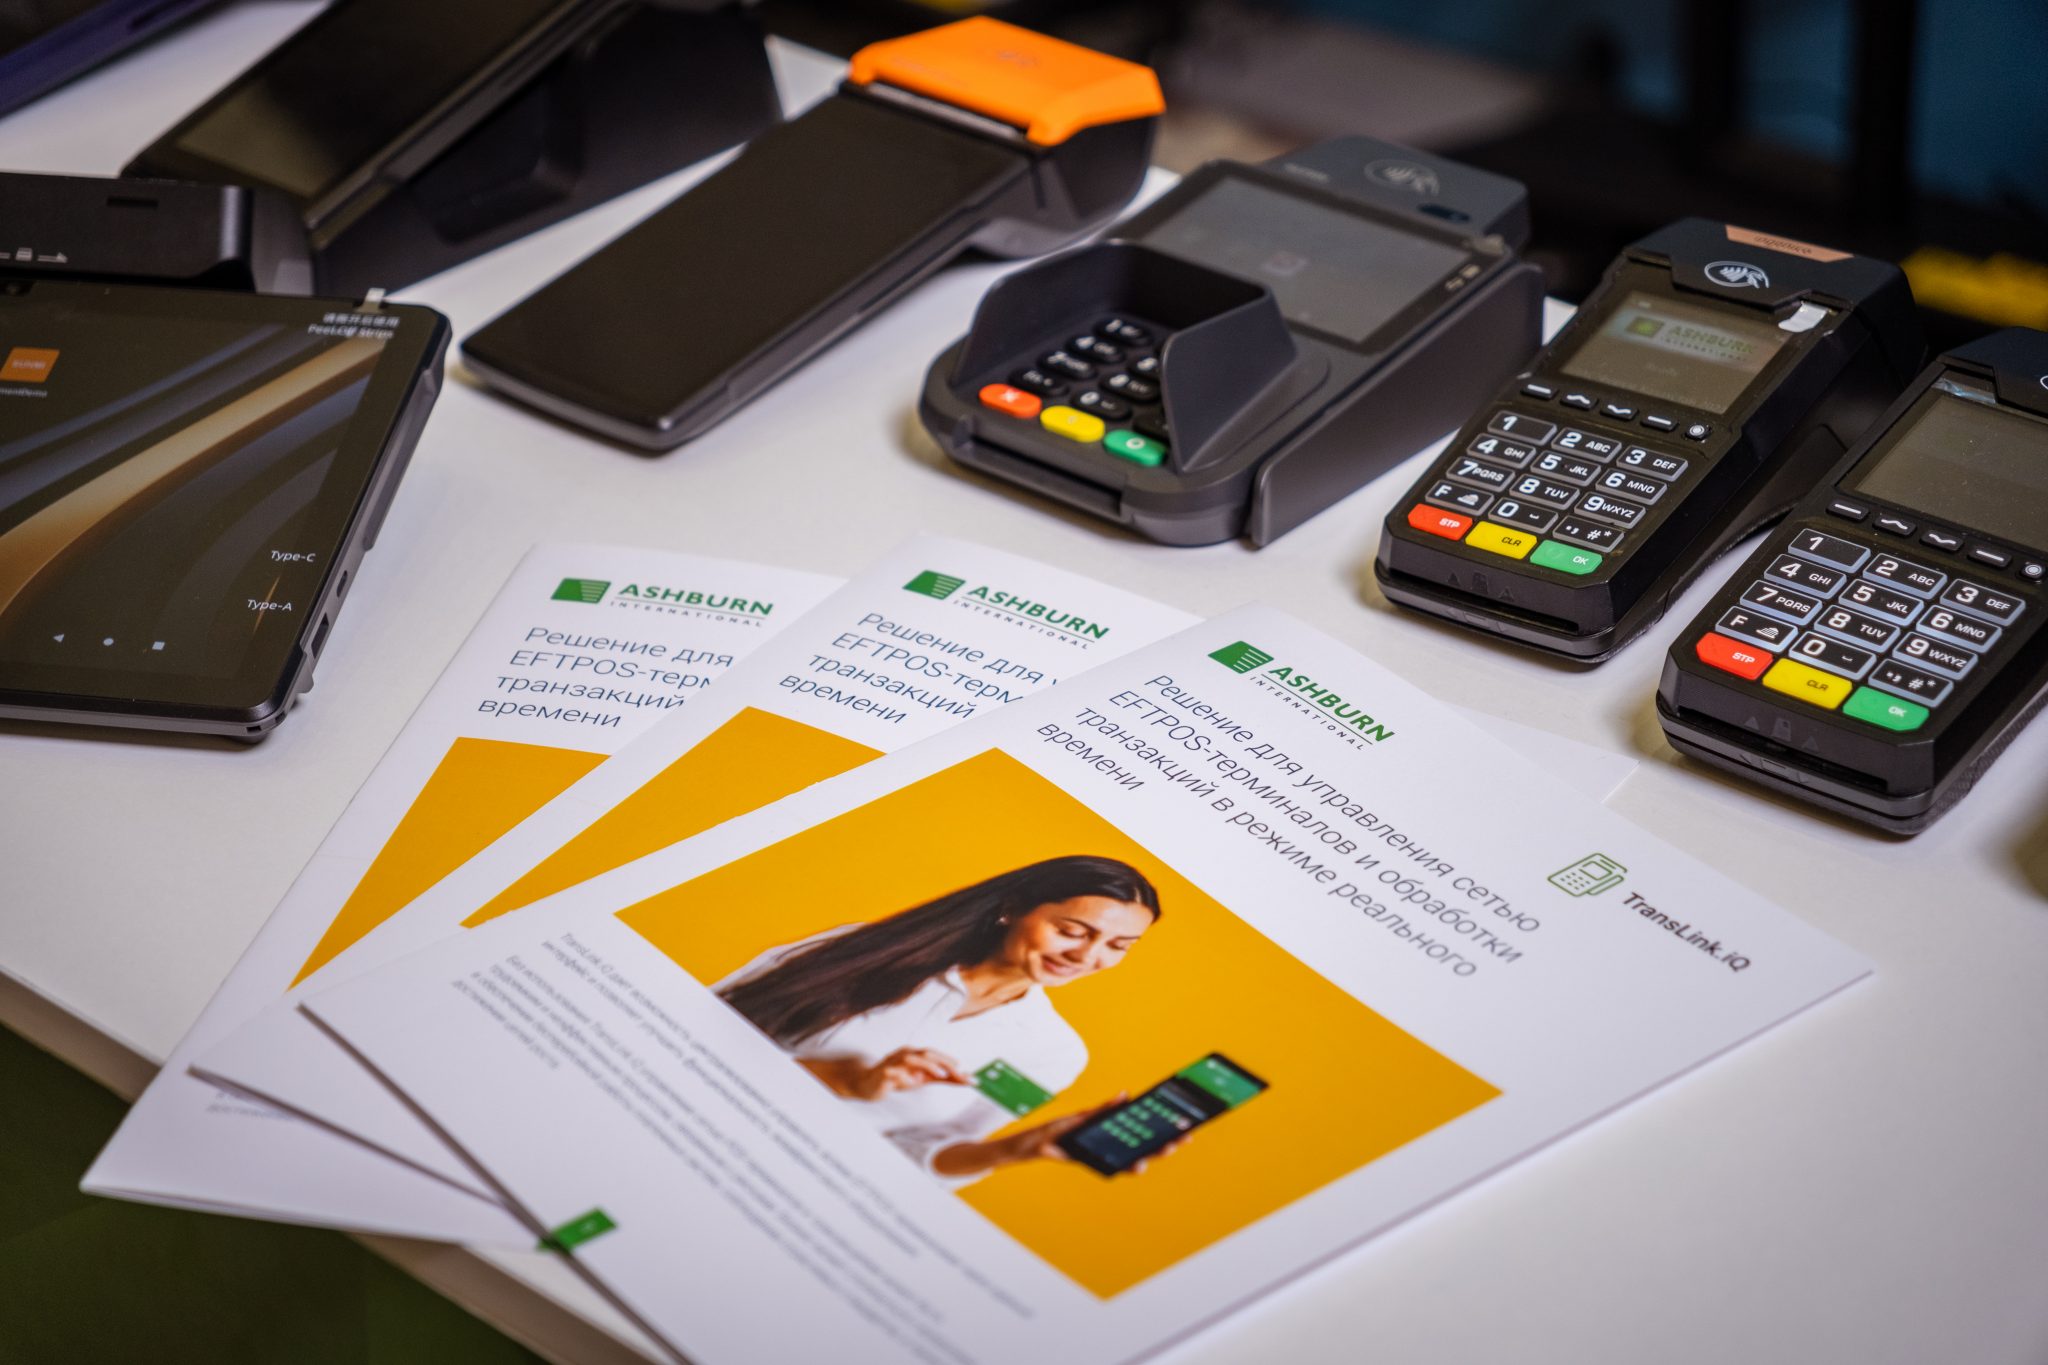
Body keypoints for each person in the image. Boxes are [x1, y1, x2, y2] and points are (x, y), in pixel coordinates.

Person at [717, 855, 1176, 1183]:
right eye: (1071, 931)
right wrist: (842, 1078)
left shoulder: (1053, 1052)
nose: (1086, 956)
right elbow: (701, 1026)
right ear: (1012, 909)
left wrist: (1016, 1148)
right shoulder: (861, 948)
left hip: (814, 1185)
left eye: (1117, 947)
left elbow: (920, 1157)